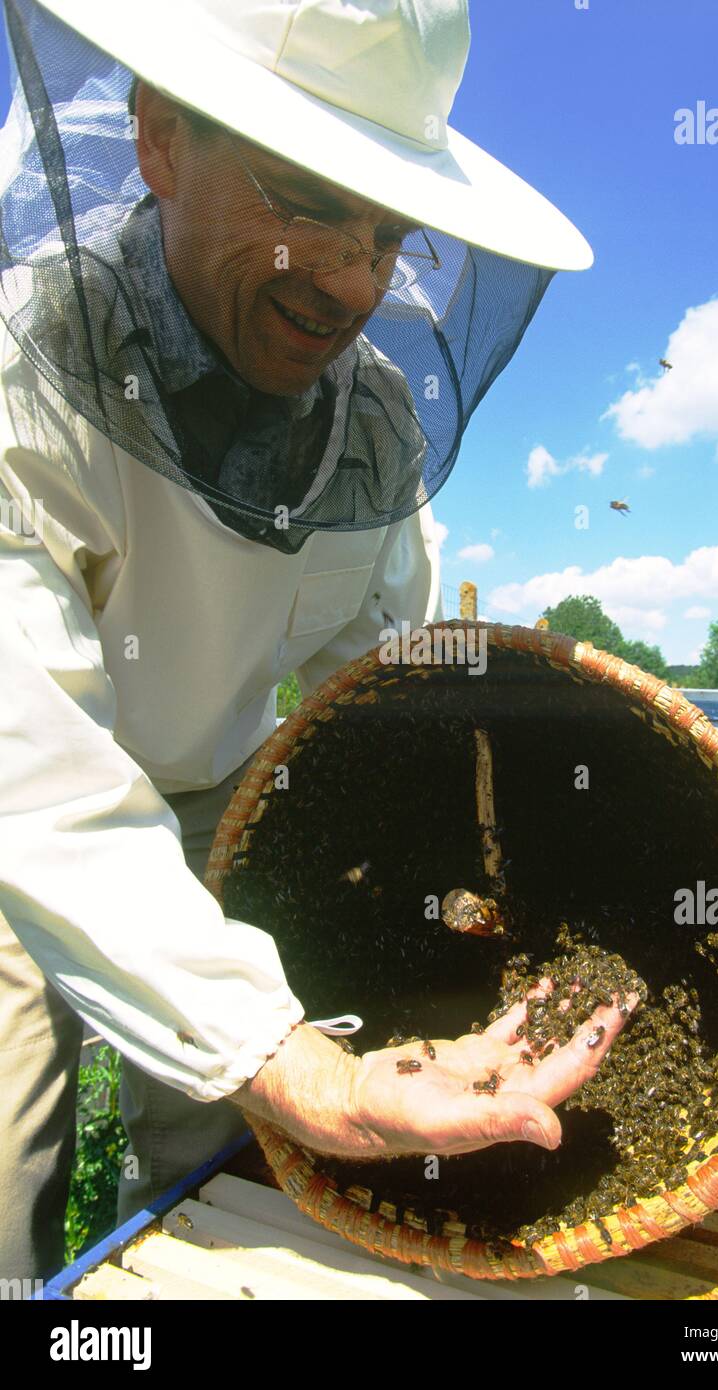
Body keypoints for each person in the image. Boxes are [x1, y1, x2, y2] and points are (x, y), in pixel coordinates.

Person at [0, 0, 628, 1285]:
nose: (353, 281)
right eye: (302, 201)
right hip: (24, 826)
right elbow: (30, 770)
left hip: (226, 808)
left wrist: (457, 880)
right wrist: (289, 1065)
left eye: (386, 231)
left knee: (218, 1158)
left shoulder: (376, 423)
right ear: (160, 140)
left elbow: (375, 684)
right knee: (3, 1157)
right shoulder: (29, 369)